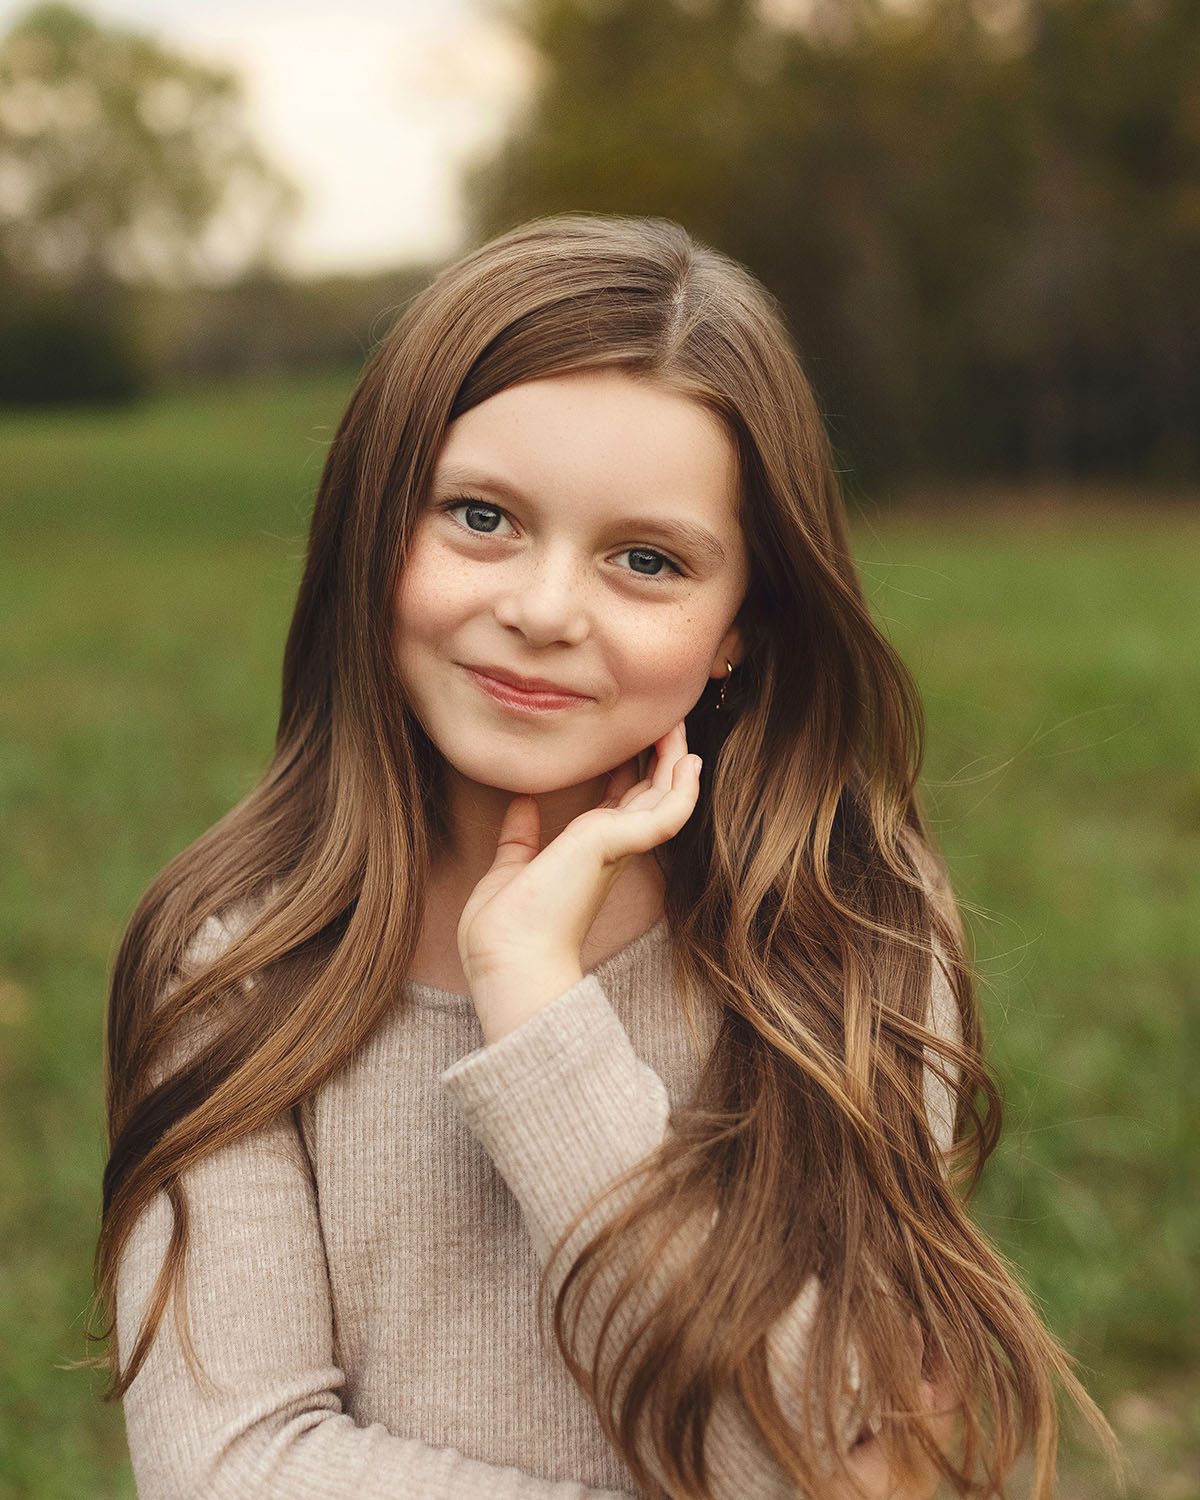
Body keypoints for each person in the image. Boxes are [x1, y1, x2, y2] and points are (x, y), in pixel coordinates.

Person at [83, 213, 1117, 1499]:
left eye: (646, 559)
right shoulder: (236, 955)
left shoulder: (851, 939)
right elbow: (228, 1472)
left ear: (740, 625)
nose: (544, 610)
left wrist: (542, 1022)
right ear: (370, 525)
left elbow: (834, 1458)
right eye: (480, 518)